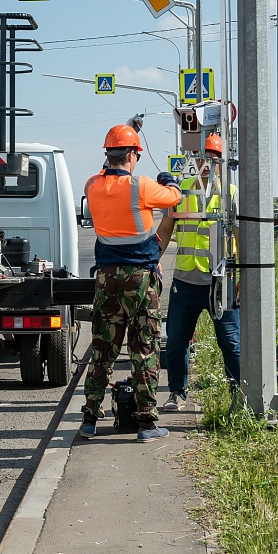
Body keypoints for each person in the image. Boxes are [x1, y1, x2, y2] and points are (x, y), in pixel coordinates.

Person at [79, 124, 182, 443]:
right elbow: (174, 199)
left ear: (107, 155)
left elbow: (101, 175)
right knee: (144, 350)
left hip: (106, 278)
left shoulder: (91, 185)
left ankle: (90, 420)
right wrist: (168, 180)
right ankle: (146, 424)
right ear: (134, 155)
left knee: (103, 351)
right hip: (140, 280)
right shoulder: (144, 186)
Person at [155, 134, 240, 413]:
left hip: (221, 282)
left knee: (230, 342)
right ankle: (177, 393)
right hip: (185, 280)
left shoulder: (230, 193)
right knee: (176, 341)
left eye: (212, 158)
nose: (205, 163)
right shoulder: (180, 192)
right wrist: (151, 259)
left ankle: (238, 396)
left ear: (221, 161)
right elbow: (165, 230)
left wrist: (244, 279)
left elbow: (243, 237)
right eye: (201, 157)